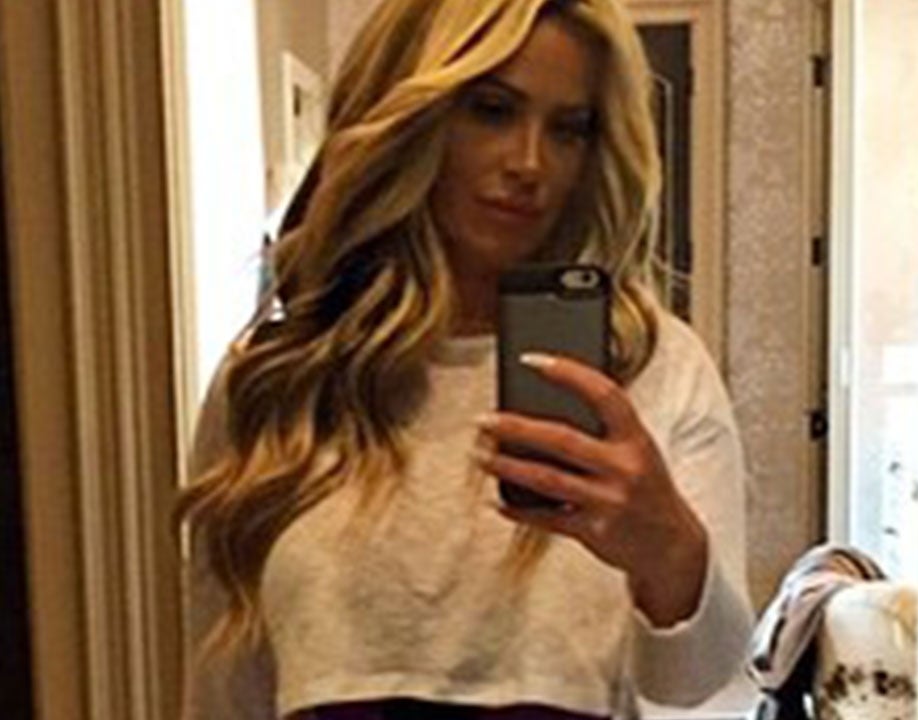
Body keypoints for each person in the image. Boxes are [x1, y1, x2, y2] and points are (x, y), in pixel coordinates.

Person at [175, 0, 753, 718]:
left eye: (568, 128)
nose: (530, 163)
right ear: (411, 116)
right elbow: (224, 690)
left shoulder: (653, 369)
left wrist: (667, 549)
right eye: (491, 110)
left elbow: (710, 693)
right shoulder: (280, 381)